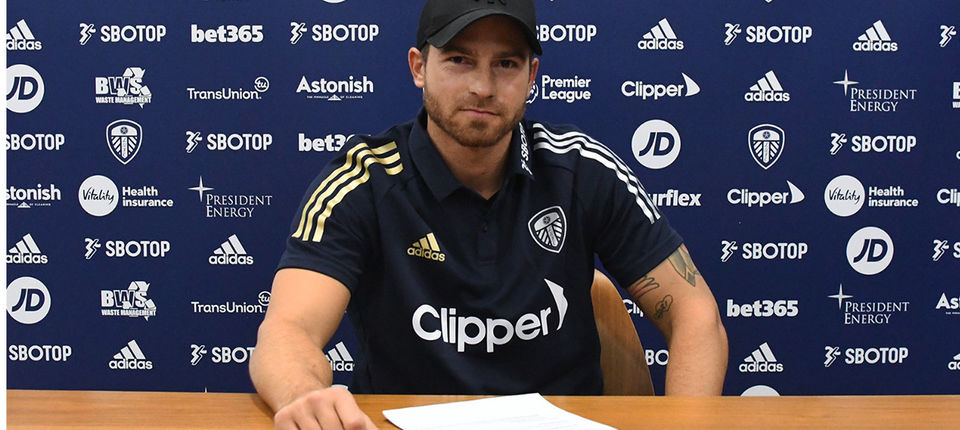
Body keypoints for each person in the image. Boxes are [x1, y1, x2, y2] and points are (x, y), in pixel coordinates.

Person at [249, 0, 728, 428]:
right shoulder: (363, 180)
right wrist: (303, 396)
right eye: (459, 60)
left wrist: (685, 427)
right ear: (419, 67)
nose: (482, 87)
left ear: (531, 76)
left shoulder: (581, 169)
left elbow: (694, 314)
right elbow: (289, 330)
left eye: (506, 64)